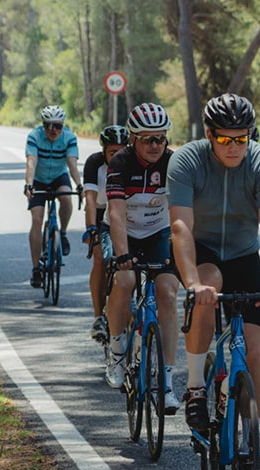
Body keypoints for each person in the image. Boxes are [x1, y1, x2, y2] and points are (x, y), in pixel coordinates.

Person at [167, 93, 260, 435]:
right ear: (209, 135)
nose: (234, 147)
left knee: (253, 352)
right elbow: (180, 226)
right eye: (224, 140)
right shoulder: (187, 160)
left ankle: (250, 438)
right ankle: (195, 387)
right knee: (209, 281)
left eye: (241, 139)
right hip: (201, 251)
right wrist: (192, 283)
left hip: (243, 255)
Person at [103, 103, 182, 414]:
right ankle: (117, 351)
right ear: (133, 139)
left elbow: (182, 211)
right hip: (125, 232)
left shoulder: (173, 163)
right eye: (148, 139)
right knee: (125, 281)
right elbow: (115, 213)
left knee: (168, 292)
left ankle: (167, 383)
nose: (155, 145)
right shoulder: (120, 163)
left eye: (161, 138)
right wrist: (122, 254)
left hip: (158, 232)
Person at [23, 105, 82, 288]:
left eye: (57, 126)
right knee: (37, 219)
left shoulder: (69, 138)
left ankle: (62, 233)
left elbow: (71, 164)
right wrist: (29, 184)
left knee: (66, 198)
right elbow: (31, 163)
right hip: (39, 179)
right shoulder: (34, 136)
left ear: (63, 125)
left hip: (58, 176)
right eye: (48, 125)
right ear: (43, 125)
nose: (53, 130)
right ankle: (36, 269)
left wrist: (79, 185)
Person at [81, 125, 130, 344]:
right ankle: (98, 316)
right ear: (103, 151)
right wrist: (91, 228)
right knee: (101, 258)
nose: (117, 156)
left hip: (125, 212)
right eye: (112, 152)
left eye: (121, 151)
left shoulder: (133, 162)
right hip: (101, 212)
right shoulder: (94, 163)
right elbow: (90, 200)